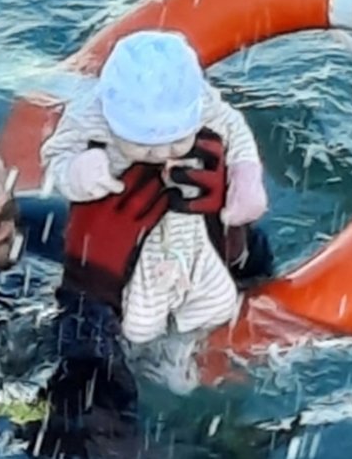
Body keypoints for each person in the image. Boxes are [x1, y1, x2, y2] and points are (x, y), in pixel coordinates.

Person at [0, 69, 285, 458]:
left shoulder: (31, 229)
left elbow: (246, 285)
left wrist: (221, 232)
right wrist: (93, 290)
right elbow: (86, 444)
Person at [39, 30, 270, 394]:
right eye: (145, 146)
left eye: (177, 141)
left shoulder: (206, 106)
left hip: (191, 234)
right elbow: (57, 153)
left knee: (211, 295)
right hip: (117, 254)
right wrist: (79, 169)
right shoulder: (90, 115)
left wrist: (246, 182)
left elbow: (237, 136)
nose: (164, 155)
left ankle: (190, 349)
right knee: (109, 331)